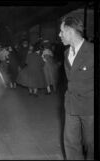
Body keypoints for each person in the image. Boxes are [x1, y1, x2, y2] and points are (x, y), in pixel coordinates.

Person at [59, 16, 94, 160]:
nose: (59, 35)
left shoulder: (92, 51)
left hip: (90, 107)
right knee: (71, 143)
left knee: (91, 144)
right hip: (71, 106)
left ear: (69, 31)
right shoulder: (66, 53)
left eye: (61, 31)